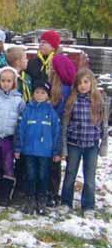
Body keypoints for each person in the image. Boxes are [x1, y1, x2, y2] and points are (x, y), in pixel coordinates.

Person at [61, 69, 108, 218]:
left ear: (92, 83)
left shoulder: (98, 101)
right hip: (74, 143)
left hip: (91, 145)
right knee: (70, 174)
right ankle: (66, 202)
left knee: (89, 177)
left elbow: (104, 125)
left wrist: (104, 144)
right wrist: (63, 146)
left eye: (86, 82)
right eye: (79, 83)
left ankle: (88, 205)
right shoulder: (72, 100)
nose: (83, 86)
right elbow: (65, 124)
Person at [14, 81, 61, 215]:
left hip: (45, 153)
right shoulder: (27, 110)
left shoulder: (51, 112)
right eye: (37, 92)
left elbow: (57, 132)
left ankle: (41, 200)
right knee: (30, 175)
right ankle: (30, 199)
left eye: (43, 93)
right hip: (29, 151)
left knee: (42, 176)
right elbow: (20, 130)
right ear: (33, 94)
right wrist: (18, 148)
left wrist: (56, 151)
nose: (39, 95)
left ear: (48, 96)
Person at [0, 67, 25, 206]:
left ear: (14, 82)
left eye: (9, 81)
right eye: (3, 81)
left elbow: (21, 119)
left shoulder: (19, 100)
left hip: (9, 137)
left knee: (8, 164)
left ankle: (5, 194)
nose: (6, 83)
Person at [47, 54, 77, 207]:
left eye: (53, 67)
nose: (50, 69)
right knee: (53, 163)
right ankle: (51, 191)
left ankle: (50, 192)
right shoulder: (59, 87)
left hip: (54, 130)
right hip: (53, 130)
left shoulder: (62, 90)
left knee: (53, 162)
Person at [5, 46, 32, 197]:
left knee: (22, 154)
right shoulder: (8, 77)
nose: (27, 60)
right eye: (25, 58)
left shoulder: (26, 78)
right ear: (17, 61)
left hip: (25, 121)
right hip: (11, 120)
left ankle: (21, 186)